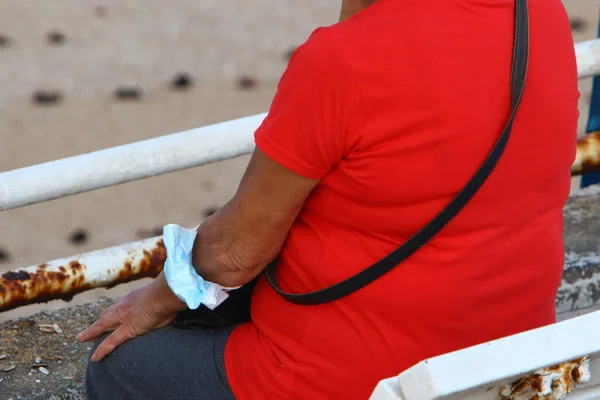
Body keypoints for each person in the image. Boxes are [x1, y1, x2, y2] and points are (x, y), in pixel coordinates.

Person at [79, 0, 579, 398]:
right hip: (506, 357)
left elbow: (234, 254)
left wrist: (152, 303)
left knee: (118, 367)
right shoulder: (540, 15)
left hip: (354, 378)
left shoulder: (343, 60)